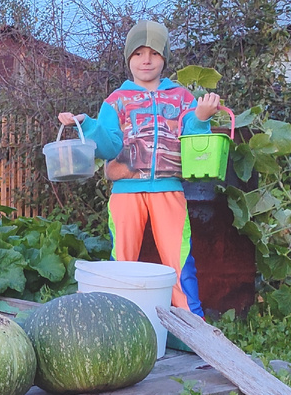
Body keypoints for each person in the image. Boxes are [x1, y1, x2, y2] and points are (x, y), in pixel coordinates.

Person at [58, 20, 221, 316]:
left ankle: (193, 324)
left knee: (179, 259)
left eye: (154, 53)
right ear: (128, 58)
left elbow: (194, 140)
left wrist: (200, 116)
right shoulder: (115, 102)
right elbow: (108, 147)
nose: (146, 60)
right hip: (125, 192)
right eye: (138, 53)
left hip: (169, 190)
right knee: (122, 262)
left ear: (164, 58)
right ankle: (119, 322)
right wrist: (88, 125)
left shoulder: (181, 97)